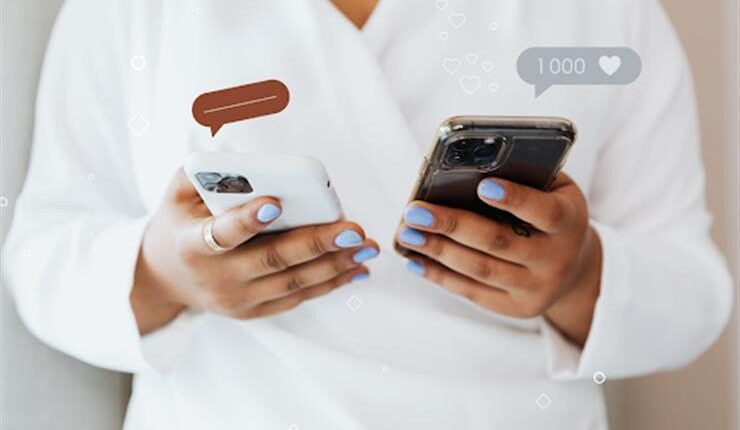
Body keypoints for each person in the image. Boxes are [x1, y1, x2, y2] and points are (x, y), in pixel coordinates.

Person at [3, 0, 733, 428]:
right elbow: (44, 260)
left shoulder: (610, 13)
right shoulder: (125, 12)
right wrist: (163, 275)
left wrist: (580, 278)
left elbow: (695, 296)